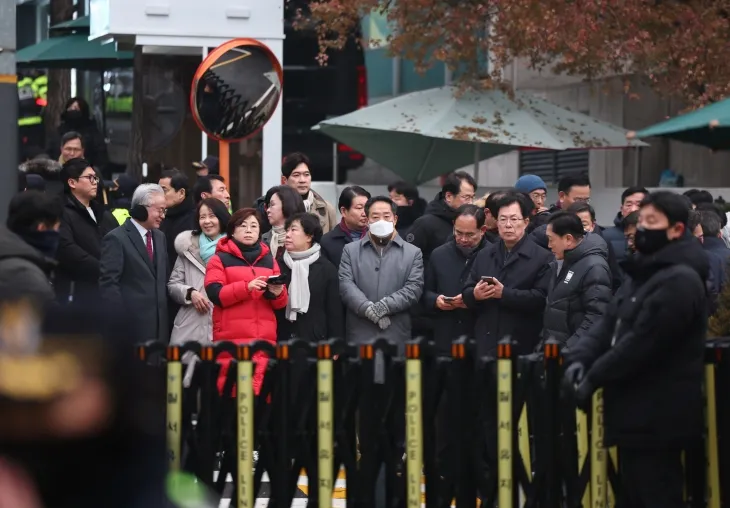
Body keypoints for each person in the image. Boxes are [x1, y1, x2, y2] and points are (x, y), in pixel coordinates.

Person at [565, 191, 709, 508]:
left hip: (661, 415)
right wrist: (578, 359)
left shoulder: (681, 279)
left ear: (676, 230)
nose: (642, 228)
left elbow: (643, 342)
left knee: (657, 495)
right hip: (631, 412)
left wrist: (594, 376)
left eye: (652, 222)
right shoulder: (642, 274)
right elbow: (609, 324)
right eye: (641, 220)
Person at [204, 208, 288, 395]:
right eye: (243, 226)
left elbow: (281, 304)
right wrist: (246, 287)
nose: (249, 230)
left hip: (264, 338)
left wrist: (276, 292)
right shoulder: (219, 259)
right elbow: (215, 293)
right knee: (232, 392)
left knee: (262, 394)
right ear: (232, 231)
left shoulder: (269, 260)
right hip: (231, 338)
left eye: (254, 226)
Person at [462, 192, 552, 356]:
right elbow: (466, 291)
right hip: (485, 342)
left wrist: (504, 294)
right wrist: (475, 294)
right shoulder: (484, 254)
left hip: (521, 344)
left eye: (514, 219)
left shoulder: (542, 257)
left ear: (525, 222)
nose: (508, 225)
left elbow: (541, 299)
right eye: (503, 219)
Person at [339, 196, 424, 352]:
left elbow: (414, 288)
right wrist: (368, 309)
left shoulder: (413, 253)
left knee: (395, 375)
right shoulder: (350, 251)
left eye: (386, 216)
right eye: (375, 217)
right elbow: (346, 285)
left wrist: (384, 306)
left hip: (396, 332)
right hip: (360, 332)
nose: (381, 221)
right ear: (368, 220)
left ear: (395, 219)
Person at [99, 184, 169, 342]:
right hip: (131, 329)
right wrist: (121, 322)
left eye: (165, 210)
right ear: (142, 209)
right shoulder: (116, 238)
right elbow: (109, 285)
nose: (163, 215)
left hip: (160, 330)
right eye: (160, 210)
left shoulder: (160, 237)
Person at [424, 204, 489, 353]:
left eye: (470, 234)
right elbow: (425, 292)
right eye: (459, 233)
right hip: (446, 336)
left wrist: (473, 299)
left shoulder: (492, 255)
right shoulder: (439, 254)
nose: (463, 239)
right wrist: (436, 300)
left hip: (480, 336)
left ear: (483, 230)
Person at [168, 198, 230, 354]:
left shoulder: (234, 248)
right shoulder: (187, 248)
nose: (207, 221)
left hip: (225, 323)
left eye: (212, 216)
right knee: (186, 374)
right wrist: (190, 293)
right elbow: (173, 284)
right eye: (202, 217)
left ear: (221, 217)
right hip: (190, 324)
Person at [542, 211, 612, 348]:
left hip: (575, 354)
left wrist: (568, 350)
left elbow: (597, 317)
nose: (549, 245)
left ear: (568, 239)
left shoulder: (594, 268)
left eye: (551, 239)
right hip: (554, 351)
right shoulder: (561, 262)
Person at [55, 158, 118, 305]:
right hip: (78, 292)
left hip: (107, 291)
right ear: (72, 183)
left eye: (95, 177)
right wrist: (103, 268)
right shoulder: (61, 212)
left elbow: (119, 242)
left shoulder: (103, 213)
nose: (95, 181)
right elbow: (67, 249)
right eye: (89, 177)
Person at [275, 212, 343, 342]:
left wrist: (336, 342)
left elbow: (334, 310)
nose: (288, 235)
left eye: (293, 230)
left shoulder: (326, 268)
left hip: (316, 340)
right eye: (287, 230)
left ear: (309, 236)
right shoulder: (278, 265)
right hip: (282, 340)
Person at [0, 191, 62, 308]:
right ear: (42, 228)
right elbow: (51, 323)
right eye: (56, 228)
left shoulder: (7, 256)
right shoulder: (27, 278)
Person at [407, 171, 477, 261]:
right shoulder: (426, 224)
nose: (470, 202)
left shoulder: (472, 221)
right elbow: (407, 259)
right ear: (449, 196)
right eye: (466, 197)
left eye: (472, 197)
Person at [46, 97, 109, 177]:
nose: (73, 110)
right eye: (70, 108)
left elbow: (101, 160)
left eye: (76, 108)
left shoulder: (92, 134)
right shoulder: (58, 132)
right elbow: (50, 152)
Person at [279, 152, 337, 234]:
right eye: (296, 175)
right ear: (285, 180)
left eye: (306, 174)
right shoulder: (274, 208)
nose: (302, 180)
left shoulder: (326, 209)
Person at [320, 186, 371, 269]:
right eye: (359, 208)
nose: (364, 213)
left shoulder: (376, 237)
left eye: (367, 207)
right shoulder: (328, 242)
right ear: (343, 211)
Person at [159, 169, 196, 270]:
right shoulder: (162, 216)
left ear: (181, 193)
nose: (159, 195)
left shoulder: (194, 220)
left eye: (164, 190)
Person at [600, 186, 648, 265]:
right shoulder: (605, 235)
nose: (633, 209)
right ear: (622, 209)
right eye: (629, 205)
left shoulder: (655, 235)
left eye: (639, 205)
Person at [262, 185, 306, 262]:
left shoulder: (306, 238)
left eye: (272, 205)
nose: (268, 210)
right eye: (268, 206)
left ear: (287, 204)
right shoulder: (262, 240)